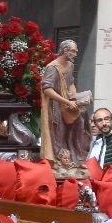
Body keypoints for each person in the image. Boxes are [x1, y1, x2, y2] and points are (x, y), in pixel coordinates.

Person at [39, 40, 89, 174]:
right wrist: (66, 101)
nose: (76, 53)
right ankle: (58, 161)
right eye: (73, 50)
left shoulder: (70, 65)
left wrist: (74, 98)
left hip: (69, 103)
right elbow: (47, 89)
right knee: (58, 133)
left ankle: (76, 159)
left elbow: (70, 83)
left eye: (76, 50)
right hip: (55, 106)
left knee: (79, 124)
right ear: (64, 50)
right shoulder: (52, 67)